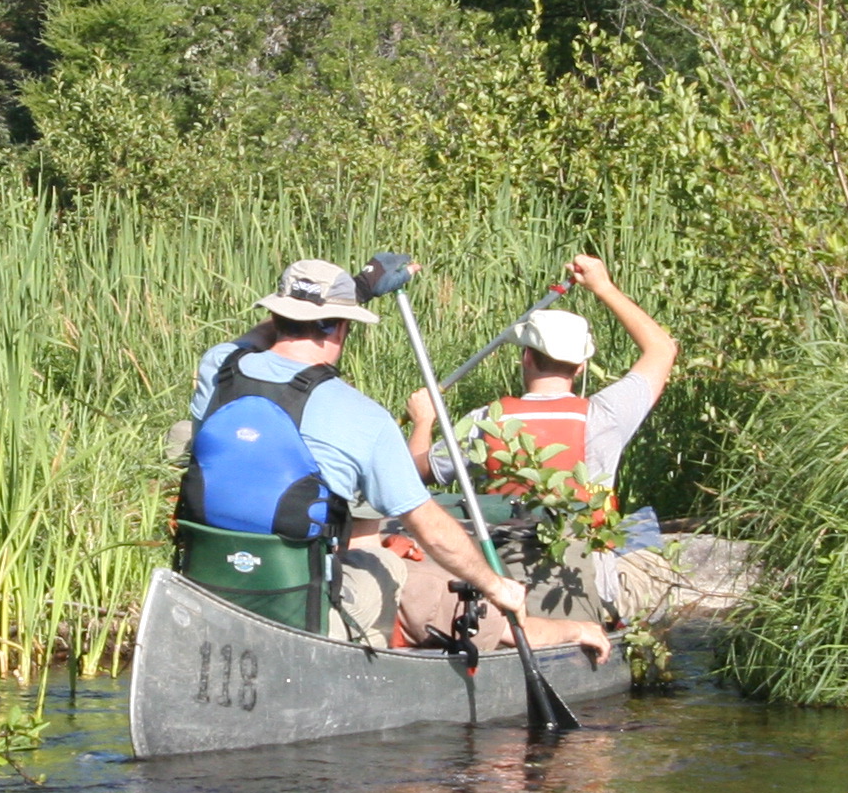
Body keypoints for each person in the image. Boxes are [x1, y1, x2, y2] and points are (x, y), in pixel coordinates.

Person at [181, 258, 610, 661]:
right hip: (303, 607)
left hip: (211, 586)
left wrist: (354, 292)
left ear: (277, 316)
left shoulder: (218, 369)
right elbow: (430, 527)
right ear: (341, 328)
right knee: (389, 563)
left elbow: (258, 339)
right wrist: (495, 585)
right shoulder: (361, 415)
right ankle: (377, 650)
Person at [404, 254, 677, 616]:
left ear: (526, 358)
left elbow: (413, 476)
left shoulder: (487, 421)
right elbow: (662, 348)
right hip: (588, 584)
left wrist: (423, 420)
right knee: (647, 544)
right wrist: (603, 287)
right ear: (581, 367)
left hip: (508, 576)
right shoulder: (606, 416)